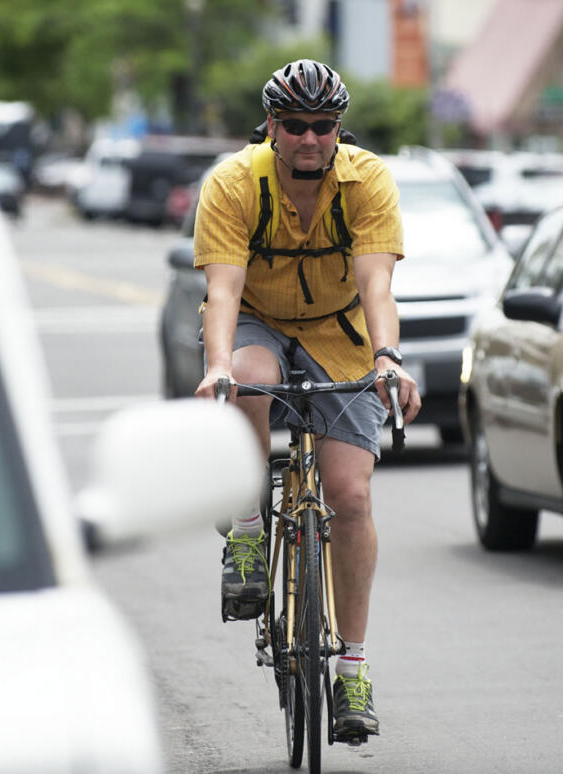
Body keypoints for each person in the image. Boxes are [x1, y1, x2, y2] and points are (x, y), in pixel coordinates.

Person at [192, 58, 421, 741]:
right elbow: (224, 291)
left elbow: (377, 284)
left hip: (340, 330)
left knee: (350, 497)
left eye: (324, 127)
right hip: (259, 320)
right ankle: (247, 531)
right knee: (250, 377)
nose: (310, 139)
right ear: (272, 126)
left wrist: (387, 358)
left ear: (338, 130)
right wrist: (215, 369)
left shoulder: (368, 179)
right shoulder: (233, 182)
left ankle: (351, 667)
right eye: (294, 126)